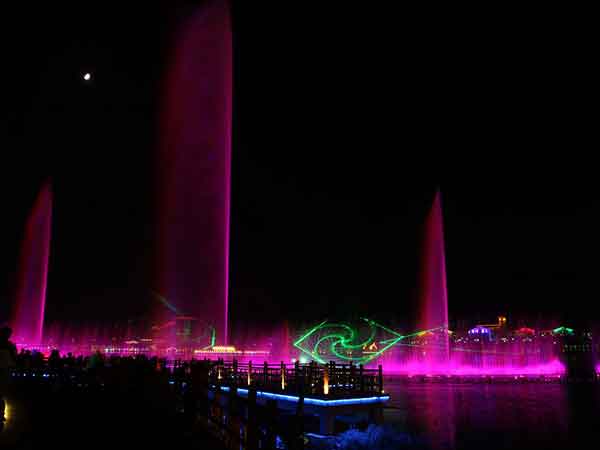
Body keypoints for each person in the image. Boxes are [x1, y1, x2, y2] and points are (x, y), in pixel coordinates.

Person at [0, 326, 17, 423]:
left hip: (5, 371)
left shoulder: (10, 346)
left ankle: (1, 414)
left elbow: (14, 358)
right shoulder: (11, 346)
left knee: (1, 394)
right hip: (6, 371)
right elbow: (14, 359)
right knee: (1, 394)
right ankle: (1, 414)